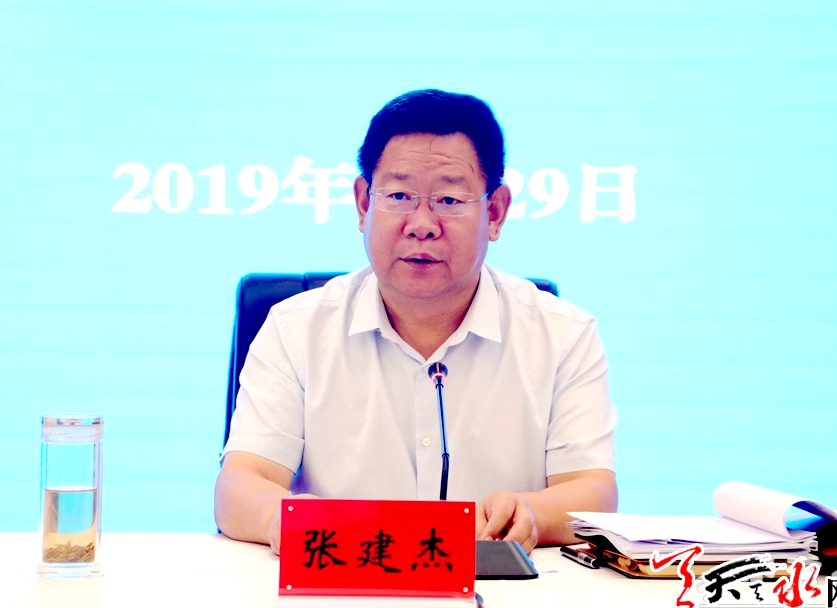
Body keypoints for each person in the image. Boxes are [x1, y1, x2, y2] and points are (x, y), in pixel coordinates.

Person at [214, 88, 617, 555]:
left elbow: (592, 491)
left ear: (495, 212)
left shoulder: (563, 335)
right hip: (338, 586)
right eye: (399, 195)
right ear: (363, 204)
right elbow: (240, 485)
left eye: (448, 199)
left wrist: (530, 514)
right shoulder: (296, 329)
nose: (422, 224)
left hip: (502, 591)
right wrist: (289, 521)